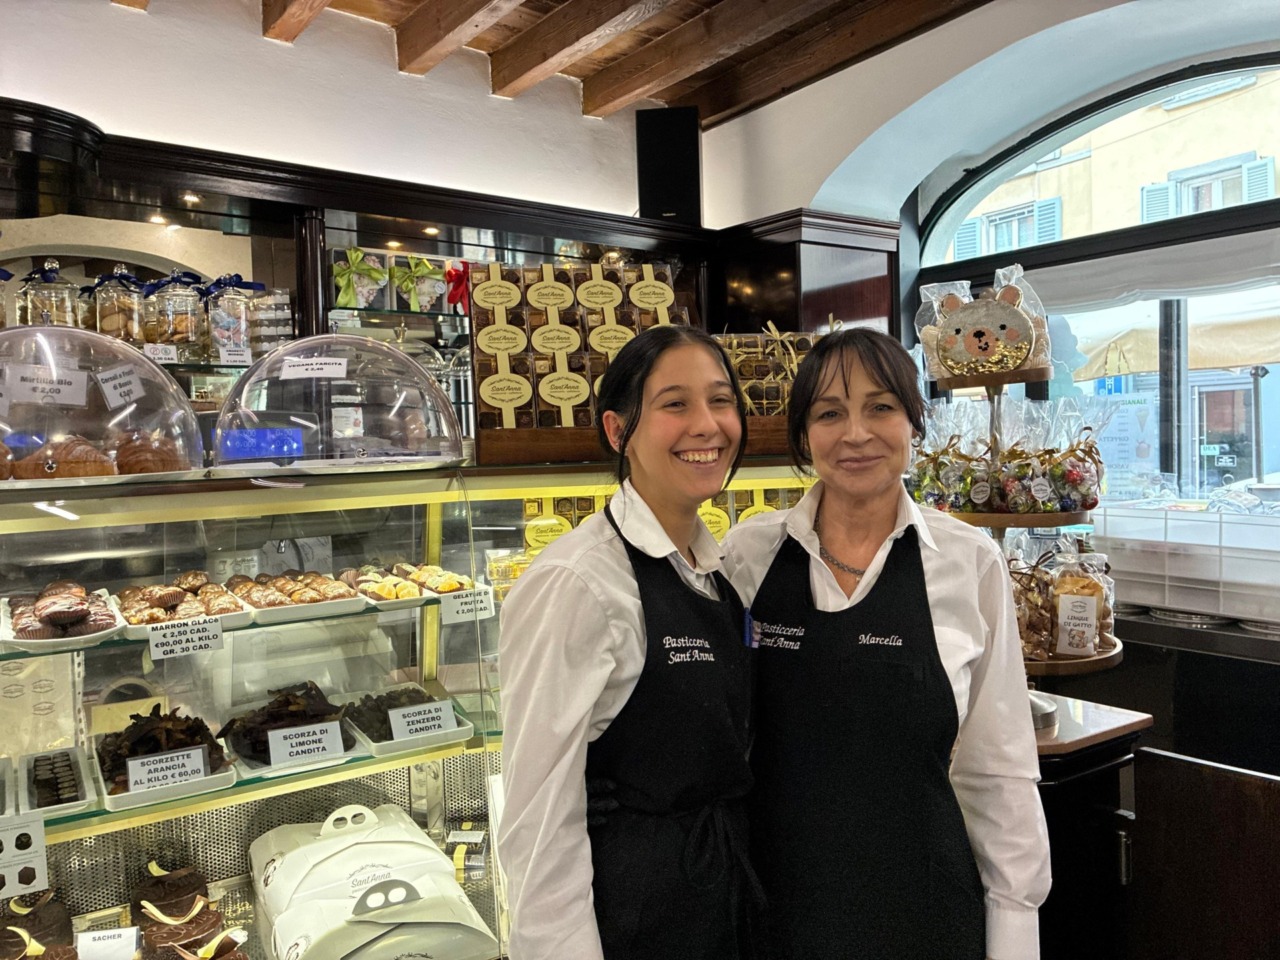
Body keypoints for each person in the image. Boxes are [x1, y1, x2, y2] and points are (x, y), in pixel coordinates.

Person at [723, 327, 1051, 960]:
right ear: (802, 436)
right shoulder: (747, 554)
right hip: (773, 905)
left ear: (912, 421)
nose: (855, 434)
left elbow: (998, 769)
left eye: (880, 407)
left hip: (924, 906)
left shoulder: (969, 562)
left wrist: (1014, 934)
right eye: (829, 413)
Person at [498, 325, 757, 960]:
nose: (708, 425)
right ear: (618, 432)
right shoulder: (578, 583)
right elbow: (538, 825)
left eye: (722, 401)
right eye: (675, 404)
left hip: (725, 900)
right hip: (638, 919)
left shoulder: (719, 568)